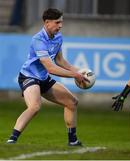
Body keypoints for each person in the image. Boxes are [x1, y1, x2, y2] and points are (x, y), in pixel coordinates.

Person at [7, 8, 89, 146]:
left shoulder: (58, 37)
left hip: (43, 78)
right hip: (29, 77)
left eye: (61, 22)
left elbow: (60, 61)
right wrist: (74, 75)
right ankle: (12, 139)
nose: (60, 26)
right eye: (57, 22)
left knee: (72, 102)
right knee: (34, 106)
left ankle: (73, 140)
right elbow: (50, 68)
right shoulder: (38, 40)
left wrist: (80, 72)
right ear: (47, 22)